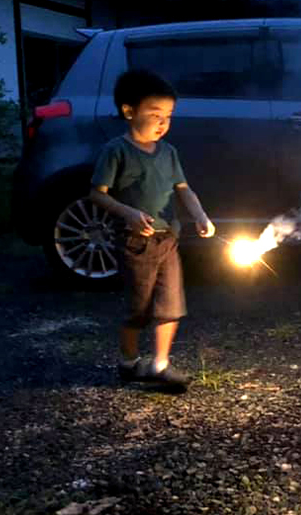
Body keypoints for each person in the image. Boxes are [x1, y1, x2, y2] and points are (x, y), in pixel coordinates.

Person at [90, 69, 215, 391]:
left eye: (169, 116)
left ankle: (160, 364)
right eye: (155, 114)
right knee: (139, 309)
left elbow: (183, 188)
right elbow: (96, 195)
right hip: (135, 243)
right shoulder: (116, 151)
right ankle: (129, 360)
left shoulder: (169, 153)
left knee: (170, 304)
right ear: (129, 111)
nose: (163, 123)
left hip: (167, 239)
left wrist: (200, 215)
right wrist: (129, 213)